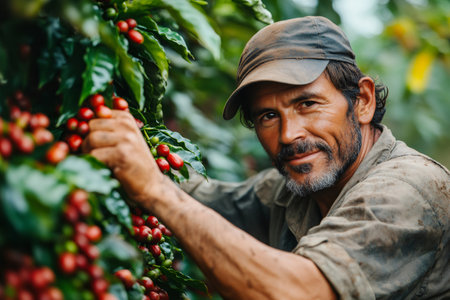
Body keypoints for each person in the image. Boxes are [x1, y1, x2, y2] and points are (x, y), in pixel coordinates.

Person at [82, 16, 449, 300]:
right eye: (267, 116)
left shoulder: (408, 190)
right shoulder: (290, 193)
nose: (289, 135)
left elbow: (296, 292)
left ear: (363, 101)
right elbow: (202, 200)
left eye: (307, 103)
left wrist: (154, 191)